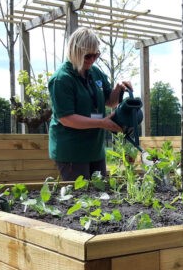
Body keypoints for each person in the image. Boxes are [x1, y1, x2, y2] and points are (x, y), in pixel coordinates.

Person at [48, 27, 132, 181]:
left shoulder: (95, 72)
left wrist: (119, 89)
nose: (92, 60)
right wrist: (102, 123)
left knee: (101, 195)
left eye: (96, 55)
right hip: (72, 151)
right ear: (75, 52)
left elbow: (110, 102)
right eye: (88, 56)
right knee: (80, 199)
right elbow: (66, 118)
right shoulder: (62, 79)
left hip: (95, 149)